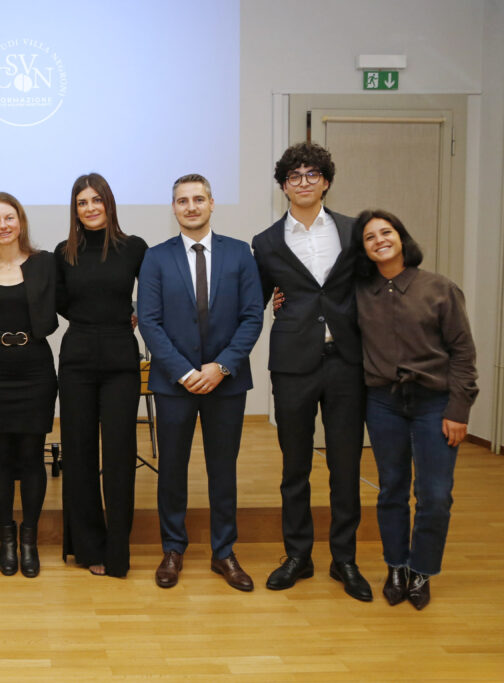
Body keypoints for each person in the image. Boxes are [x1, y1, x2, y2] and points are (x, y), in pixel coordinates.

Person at [251, 142, 372, 602]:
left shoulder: (353, 231)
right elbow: (256, 300)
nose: (303, 182)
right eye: (294, 176)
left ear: (326, 181)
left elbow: (371, 287)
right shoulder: (265, 242)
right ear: (283, 187)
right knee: (294, 466)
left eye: (312, 174)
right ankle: (298, 555)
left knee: (345, 464)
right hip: (292, 365)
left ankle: (345, 559)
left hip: (346, 362)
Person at [138, 174, 263, 591]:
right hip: (174, 384)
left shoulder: (240, 253)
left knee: (222, 471)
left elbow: (252, 316)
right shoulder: (156, 257)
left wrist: (221, 367)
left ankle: (223, 552)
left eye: (197, 199)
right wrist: (186, 372)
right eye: (182, 200)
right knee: (172, 470)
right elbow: (150, 322)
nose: (190, 207)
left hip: (226, 383)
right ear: (173, 208)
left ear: (211, 203)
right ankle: (173, 549)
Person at [353, 209, 477, 610]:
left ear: (401, 237)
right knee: (391, 489)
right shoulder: (359, 292)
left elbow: (463, 353)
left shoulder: (440, 288)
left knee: (435, 495)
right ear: (363, 249)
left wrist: (458, 409)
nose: (379, 241)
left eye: (386, 232)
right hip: (383, 403)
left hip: (434, 403)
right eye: (370, 237)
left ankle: (422, 570)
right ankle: (396, 566)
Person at [55, 173, 147, 578]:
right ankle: (88, 546)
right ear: (74, 210)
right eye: (82, 202)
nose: (90, 208)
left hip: (120, 359)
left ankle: (117, 549)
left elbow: (155, 294)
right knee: (78, 454)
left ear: (108, 203)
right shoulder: (63, 253)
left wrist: (132, 315)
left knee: (119, 455)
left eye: (96, 200)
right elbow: (59, 302)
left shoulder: (135, 248)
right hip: (76, 357)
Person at [0, 192, 57, 577]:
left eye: (9, 218)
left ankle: (29, 540)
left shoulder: (44, 263)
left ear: (20, 221)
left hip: (36, 368)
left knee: (33, 455)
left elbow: (76, 300)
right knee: (1, 456)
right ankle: (7, 538)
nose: (3, 226)